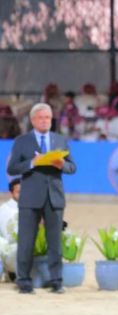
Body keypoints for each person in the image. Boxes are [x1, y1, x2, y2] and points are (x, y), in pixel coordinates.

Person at [6, 103, 77, 294]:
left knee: (55, 242)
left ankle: (56, 281)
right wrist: (32, 163)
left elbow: (73, 168)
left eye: (48, 117)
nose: (45, 121)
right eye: (41, 118)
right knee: (26, 241)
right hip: (30, 198)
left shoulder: (60, 140)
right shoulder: (22, 141)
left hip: (54, 197)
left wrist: (62, 164)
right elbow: (11, 168)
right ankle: (24, 281)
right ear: (32, 120)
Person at [0, 178, 21, 280]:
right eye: (19, 192)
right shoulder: (3, 210)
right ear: (11, 192)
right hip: (9, 254)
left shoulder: (33, 209)